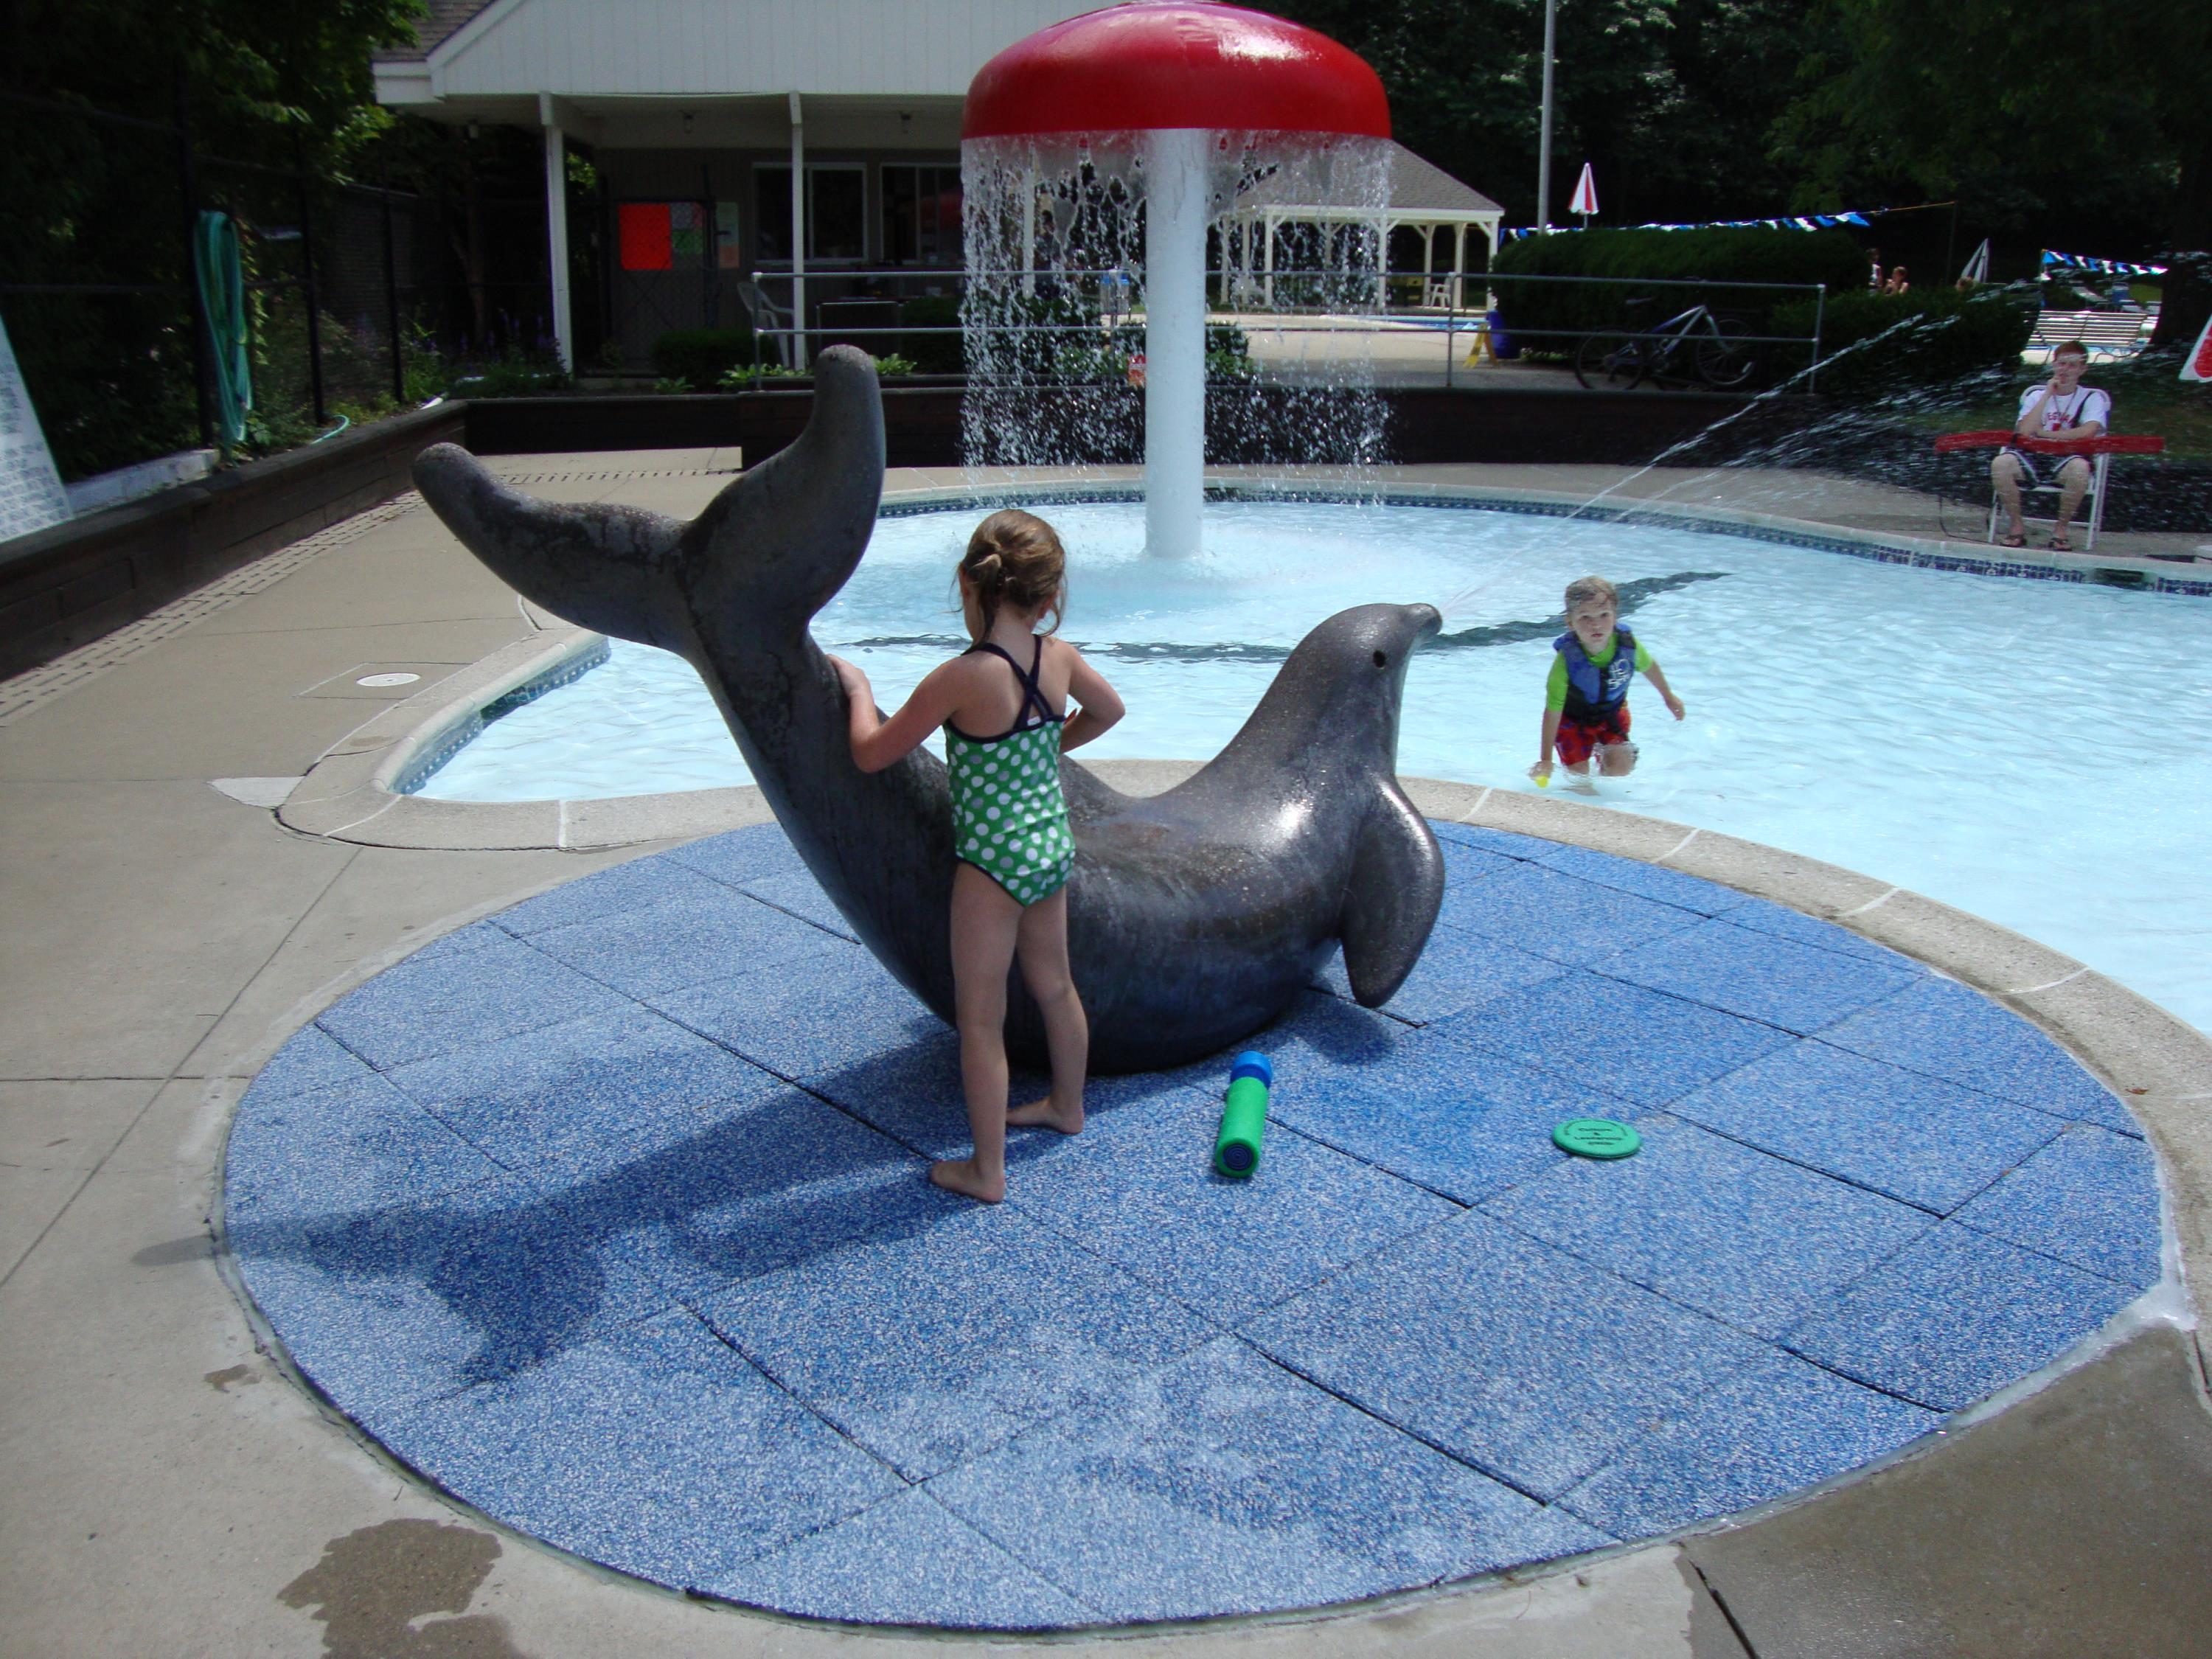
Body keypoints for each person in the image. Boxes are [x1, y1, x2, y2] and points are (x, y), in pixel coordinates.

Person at [829, 509, 1124, 1203]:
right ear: (1050, 596)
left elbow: (872, 753)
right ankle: (1066, 1106)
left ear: (968, 582)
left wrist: (859, 691)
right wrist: (1048, 748)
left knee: (982, 1019)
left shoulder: (961, 677)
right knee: (1056, 987)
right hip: (1051, 846)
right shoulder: (1061, 658)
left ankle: (986, 1171)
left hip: (991, 866)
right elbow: (1109, 712)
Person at [1528, 576, 1685, 787]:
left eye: (1604, 615)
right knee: (1580, 779)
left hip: (1611, 714)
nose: (1596, 624)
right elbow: (1552, 712)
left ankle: (1605, 757)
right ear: (1570, 622)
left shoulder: (1627, 646)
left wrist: (1668, 696)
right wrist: (1546, 759)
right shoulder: (1566, 663)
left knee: (1620, 770)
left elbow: (1650, 667)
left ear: (1615, 616)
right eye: (1585, 617)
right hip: (1573, 722)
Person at [1992, 339, 2110, 550]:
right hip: (2031, 456)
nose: (2065, 370)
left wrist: (2046, 434)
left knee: (2081, 470)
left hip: (2068, 458)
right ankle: (2017, 527)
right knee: (2000, 464)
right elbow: (2025, 431)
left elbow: (2088, 431)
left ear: (2083, 369)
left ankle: (2061, 529)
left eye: (2072, 365)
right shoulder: (2036, 395)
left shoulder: (2092, 398)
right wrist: (2047, 394)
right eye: (2061, 364)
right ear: (2054, 365)